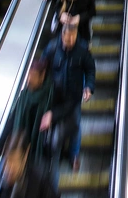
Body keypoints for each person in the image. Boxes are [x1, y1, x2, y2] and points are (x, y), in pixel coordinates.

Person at [42, 23, 95, 174]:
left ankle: (74, 154)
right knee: (52, 122)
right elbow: (43, 66)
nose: (70, 42)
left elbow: (90, 69)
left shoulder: (83, 49)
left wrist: (89, 87)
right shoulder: (52, 48)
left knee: (76, 124)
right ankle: (52, 153)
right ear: (62, 36)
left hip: (73, 97)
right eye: (67, 40)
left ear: (76, 35)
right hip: (54, 95)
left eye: (73, 39)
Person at [0, 59, 55, 178]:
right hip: (22, 145)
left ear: (42, 76)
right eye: (28, 75)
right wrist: (0, 144)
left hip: (41, 149)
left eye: (33, 76)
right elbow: (12, 119)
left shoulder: (51, 94)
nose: (29, 80)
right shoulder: (24, 95)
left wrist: (52, 116)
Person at [0, 131, 59, 198]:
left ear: (24, 158)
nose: (10, 169)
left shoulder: (40, 181)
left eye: (15, 162)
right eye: (8, 161)